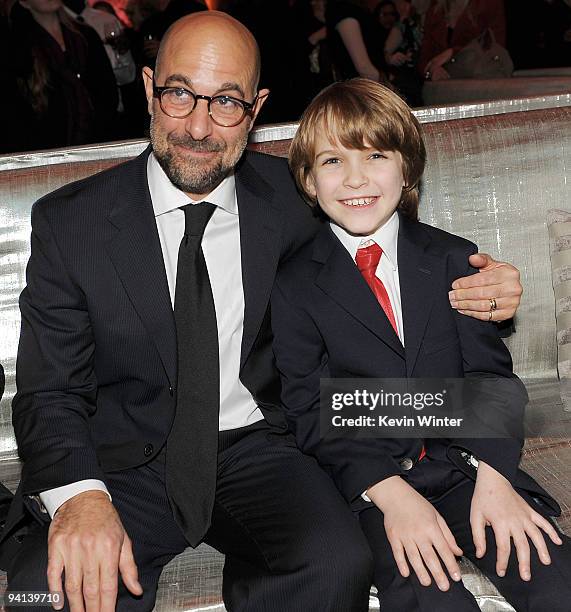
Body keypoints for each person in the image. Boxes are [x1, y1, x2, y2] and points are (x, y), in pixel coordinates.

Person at [0, 11, 523, 612]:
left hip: (261, 448)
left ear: (256, 108)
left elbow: (399, 245)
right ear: (147, 89)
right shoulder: (72, 223)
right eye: (178, 94)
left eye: (225, 101)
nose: (199, 126)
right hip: (122, 464)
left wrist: (485, 285)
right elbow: (48, 392)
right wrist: (80, 498)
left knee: (335, 561)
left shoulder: (298, 199)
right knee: (50, 590)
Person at [272, 77, 571, 611]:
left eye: (376, 155)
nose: (355, 178)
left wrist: (496, 476)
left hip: (467, 467)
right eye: (332, 162)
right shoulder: (294, 284)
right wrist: (390, 495)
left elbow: (491, 381)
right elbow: (310, 408)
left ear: (406, 168)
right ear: (309, 182)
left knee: (555, 580)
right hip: (375, 489)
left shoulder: (455, 259)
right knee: (432, 600)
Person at [5, 0, 117, 152]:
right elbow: (16, 115)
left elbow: (108, 93)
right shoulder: (19, 48)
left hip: (97, 144)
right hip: (47, 152)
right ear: (25, 3)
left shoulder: (85, 36)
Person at [419, 0, 507, 80]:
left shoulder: (489, 4)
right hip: (442, 88)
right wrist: (432, 70)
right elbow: (424, 58)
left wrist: (453, 52)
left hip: (477, 83)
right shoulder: (435, 9)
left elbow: (495, 47)